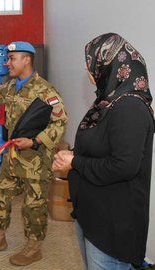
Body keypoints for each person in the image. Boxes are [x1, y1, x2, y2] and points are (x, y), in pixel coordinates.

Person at [53, 33, 153, 269]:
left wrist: (74, 162)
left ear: (111, 67)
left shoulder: (130, 107)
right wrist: (70, 157)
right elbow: (98, 146)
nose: (89, 74)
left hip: (113, 228)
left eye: (92, 66)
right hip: (94, 217)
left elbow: (123, 166)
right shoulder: (107, 103)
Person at [0, 41, 68, 266]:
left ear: (26, 60)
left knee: (33, 205)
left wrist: (35, 141)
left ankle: (33, 248)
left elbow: (60, 122)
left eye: (11, 58)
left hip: (36, 160)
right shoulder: (10, 87)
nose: (6, 62)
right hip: (13, 157)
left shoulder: (45, 91)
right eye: (8, 58)